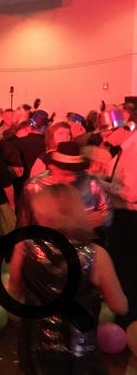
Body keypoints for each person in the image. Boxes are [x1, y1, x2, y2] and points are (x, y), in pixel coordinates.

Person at [9, 184, 128, 375]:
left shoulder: (24, 247)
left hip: (34, 346)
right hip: (78, 351)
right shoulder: (96, 255)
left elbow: (14, 290)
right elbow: (120, 306)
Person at [98, 106, 137, 328]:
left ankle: (127, 323)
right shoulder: (125, 148)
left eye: (107, 133)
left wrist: (101, 184)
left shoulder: (134, 150)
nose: (104, 139)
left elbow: (132, 193)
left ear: (122, 128)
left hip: (130, 220)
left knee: (127, 273)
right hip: (123, 217)